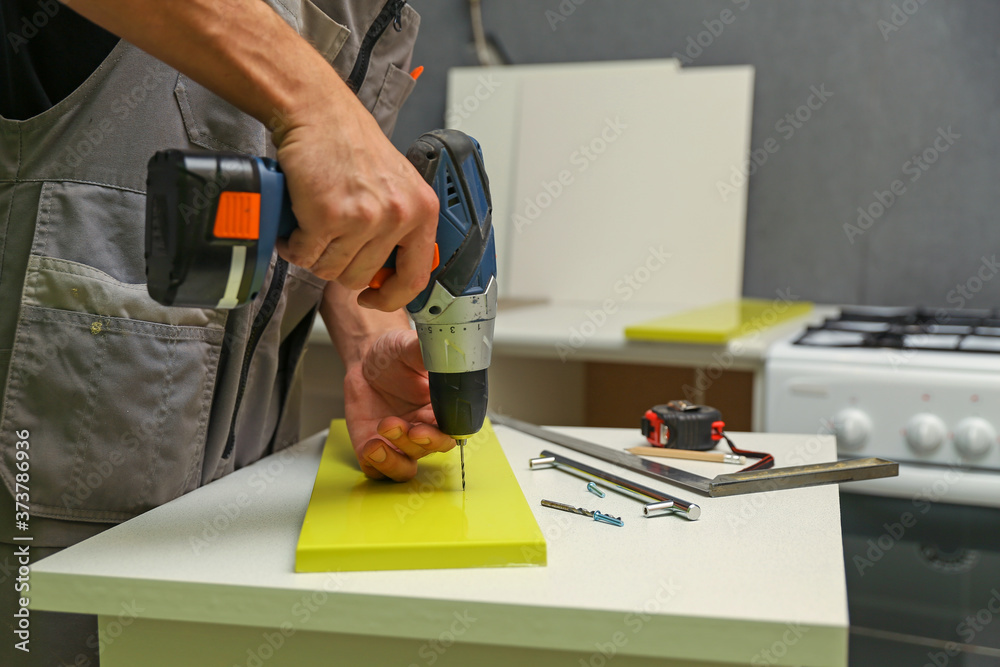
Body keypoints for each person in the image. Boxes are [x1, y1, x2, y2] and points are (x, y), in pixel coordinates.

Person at [0, 1, 454, 664]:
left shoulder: (377, 13)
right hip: (41, 530)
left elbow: (328, 216)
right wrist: (313, 99)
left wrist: (368, 338)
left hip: (240, 504)